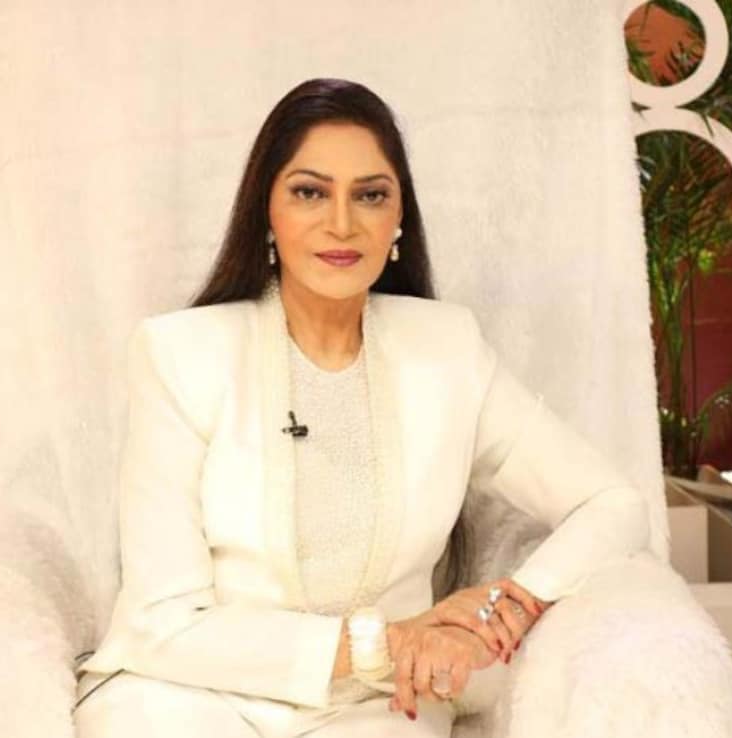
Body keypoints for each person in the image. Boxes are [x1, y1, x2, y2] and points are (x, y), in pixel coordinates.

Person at [72, 77, 652, 738]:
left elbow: (612, 502)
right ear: (267, 212)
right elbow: (161, 623)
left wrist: (498, 614)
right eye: (310, 192)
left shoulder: (447, 350)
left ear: (399, 218)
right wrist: (385, 641)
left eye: (370, 195)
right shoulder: (180, 354)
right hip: (188, 694)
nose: (342, 224)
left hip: (381, 702)